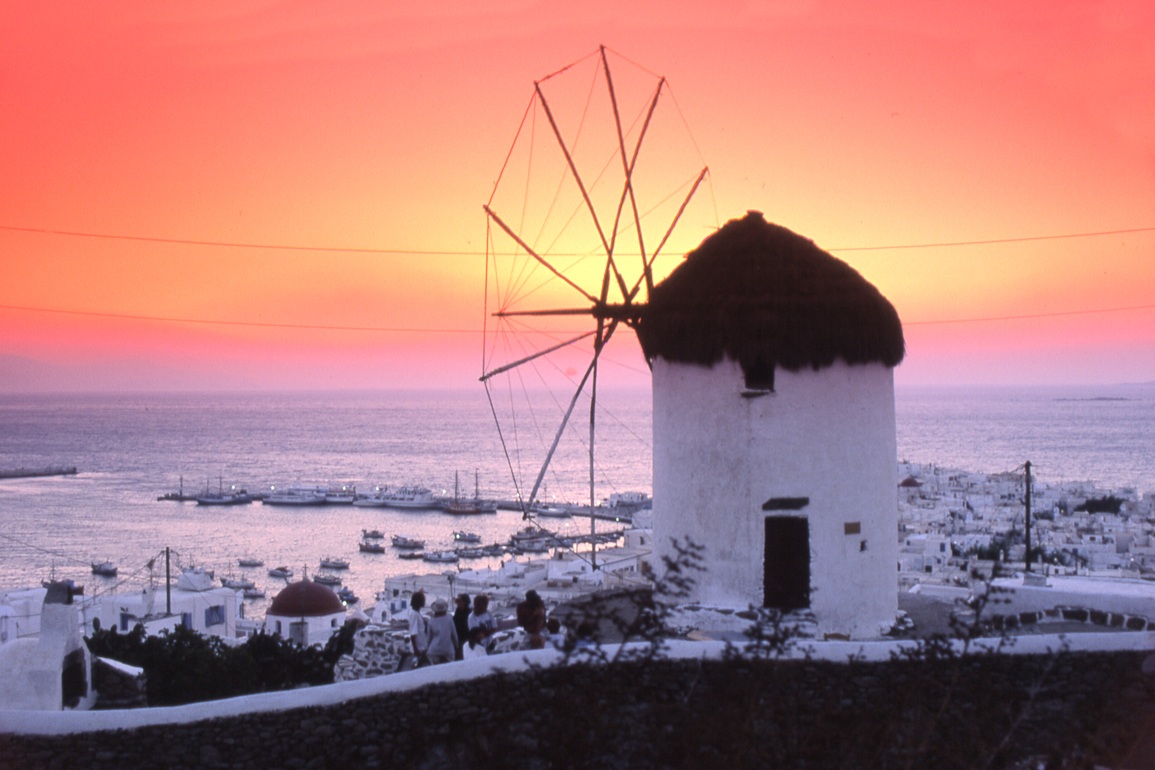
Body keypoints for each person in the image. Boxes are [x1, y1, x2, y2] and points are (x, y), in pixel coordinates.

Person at [399, 590, 429, 670]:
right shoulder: (414, 615)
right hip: (418, 649)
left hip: (421, 647)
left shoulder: (416, 613)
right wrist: (416, 650)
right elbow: (413, 633)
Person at [426, 599, 458, 665]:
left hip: (434, 649)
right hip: (448, 648)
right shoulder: (449, 618)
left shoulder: (431, 621)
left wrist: (426, 648)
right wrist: (456, 645)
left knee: (434, 668)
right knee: (451, 667)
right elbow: (454, 634)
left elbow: (429, 638)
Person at [453, 593, 472, 661]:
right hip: (457, 639)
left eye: (459, 601)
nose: (457, 603)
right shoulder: (458, 611)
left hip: (465, 640)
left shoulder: (470, 613)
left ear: (464, 602)